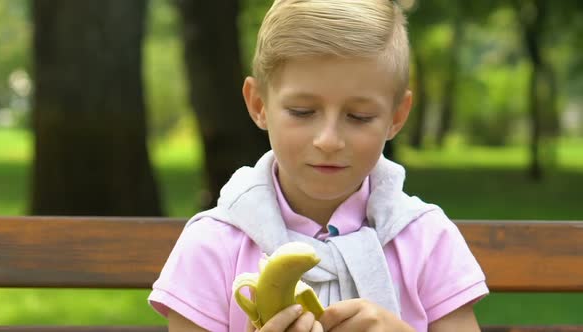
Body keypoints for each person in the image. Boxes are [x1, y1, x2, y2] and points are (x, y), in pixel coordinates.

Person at [148, 0, 489, 331]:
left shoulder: (427, 240)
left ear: (396, 116)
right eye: (302, 112)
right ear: (258, 104)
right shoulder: (212, 246)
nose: (329, 140)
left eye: (359, 116)